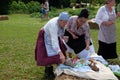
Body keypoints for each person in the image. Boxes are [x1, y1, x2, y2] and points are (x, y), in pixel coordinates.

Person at [35, 12, 69, 79]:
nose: (65, 24)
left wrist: (63, 37)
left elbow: (60, 34)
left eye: (66, 22)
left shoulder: (62, 23)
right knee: (48, 54)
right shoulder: (54, 25)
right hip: (45, 35)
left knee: (58, 52)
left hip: (54, 37)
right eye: (64, 22)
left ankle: (53, 70)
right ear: (60, 20)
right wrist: (61, 54)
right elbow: (54, 42)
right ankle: (48, 72)